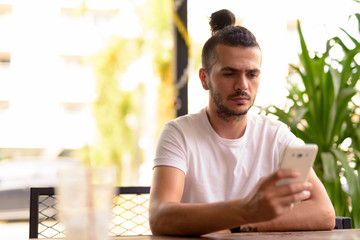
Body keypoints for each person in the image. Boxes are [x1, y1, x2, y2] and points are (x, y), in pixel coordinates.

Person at [149, 9, 335, 236]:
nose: (242, 85)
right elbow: (160, 216)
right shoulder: (179, 133)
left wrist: (240, 224)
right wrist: (246, 209)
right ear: (204, 79)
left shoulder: (276, 135)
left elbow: (324, 212)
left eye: (252, 74)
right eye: (229, 74)